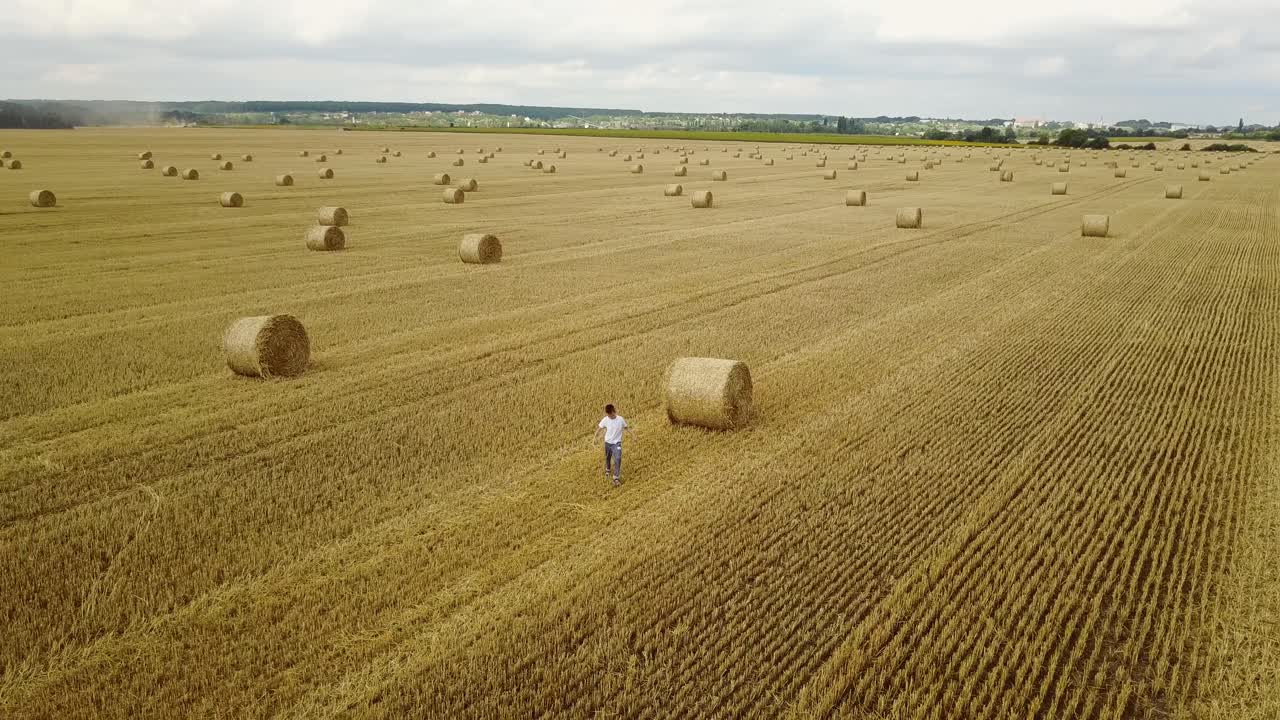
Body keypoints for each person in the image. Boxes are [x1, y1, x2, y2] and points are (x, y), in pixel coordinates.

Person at [593, 404, 634, 487]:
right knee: (607, 457)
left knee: (618, 458)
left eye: (610, 414)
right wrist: (594, 439)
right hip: (608, 443)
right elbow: (599, 429)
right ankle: (608, 469)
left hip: (617, 443)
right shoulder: (605, 420)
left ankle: (616, 477)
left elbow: (626, 428)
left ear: (613, 411)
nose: (609, 416)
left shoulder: (620, 419)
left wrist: (633, 435)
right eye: (607, 415)